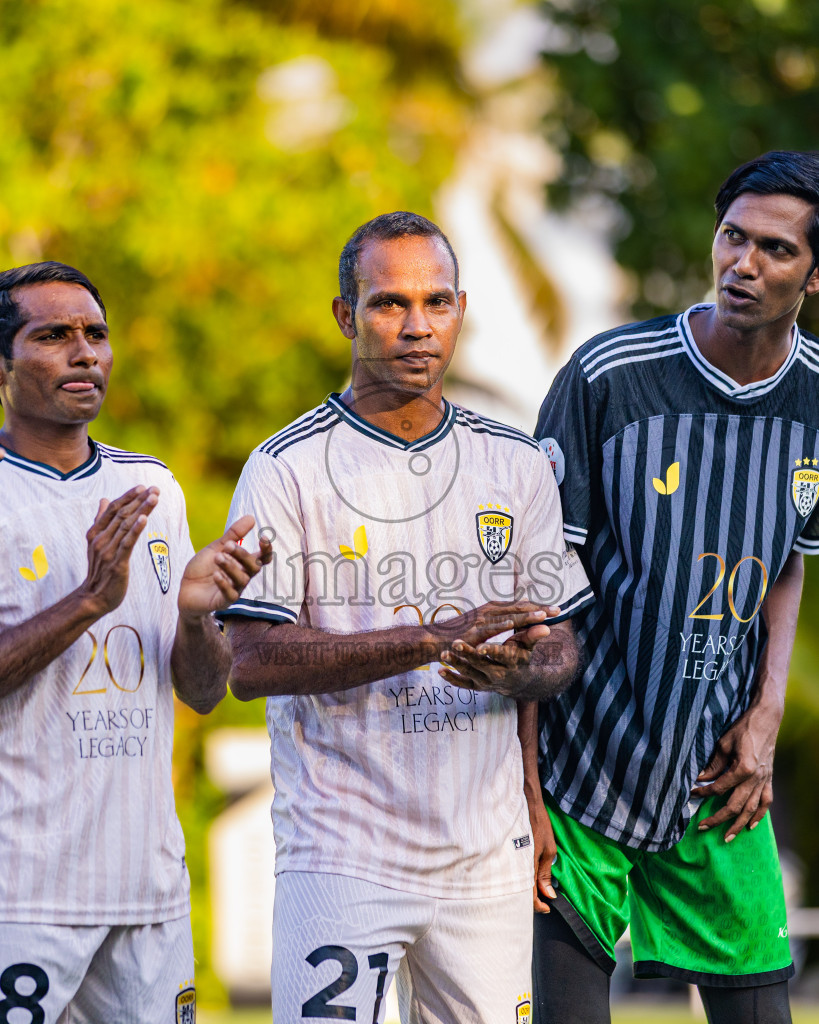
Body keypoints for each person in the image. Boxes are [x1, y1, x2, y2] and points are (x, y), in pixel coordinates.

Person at [220, 211, 595, 1024]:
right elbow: (248, 663)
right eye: (389, 304)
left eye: (437, 302)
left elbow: (559, 648)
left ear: (461, 308)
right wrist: (426, 641)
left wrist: (519, 674)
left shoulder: (516, 462)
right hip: (341, 854)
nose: (417, 327)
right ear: (345, 316)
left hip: (484, 864)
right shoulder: (284, 467)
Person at [528, 150, 819, 1024]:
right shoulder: (609, 375)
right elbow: (539, 588)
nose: (743, 263)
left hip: (716, 780)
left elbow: (788, 558)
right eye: (733, 237)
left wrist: (764, 713)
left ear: (814, 273)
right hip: (583, 770)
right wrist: (527, 794)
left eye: (775, 249)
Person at [0, 262, 271, 1023]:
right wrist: (89, 600)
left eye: (96, 334)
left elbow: (202, 690)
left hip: (146, 892)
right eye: (52, 335)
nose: (84, 353)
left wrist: (194, 616)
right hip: (21, 894)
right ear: (3, 365)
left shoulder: (152, 488)